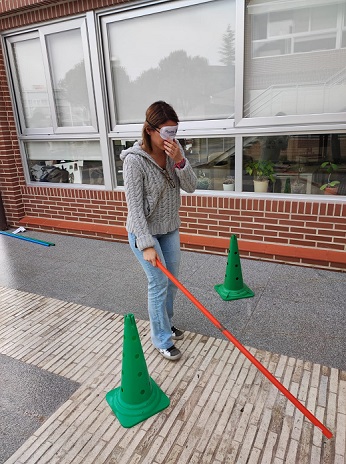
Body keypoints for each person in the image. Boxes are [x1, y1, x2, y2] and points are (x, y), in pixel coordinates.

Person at [120, 101, 197, 361]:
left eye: (175, 131)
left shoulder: (175, 152)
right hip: (144, 233)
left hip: (169, 229)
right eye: (166, 132)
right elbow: (134, 207)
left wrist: (180, 161)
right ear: (150, 130)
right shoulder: (134, 161)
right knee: (158, 283)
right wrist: (146, 244)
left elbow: (191, 186)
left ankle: (166, 323)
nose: (171, 137)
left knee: (171, 283)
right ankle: (161, 339)